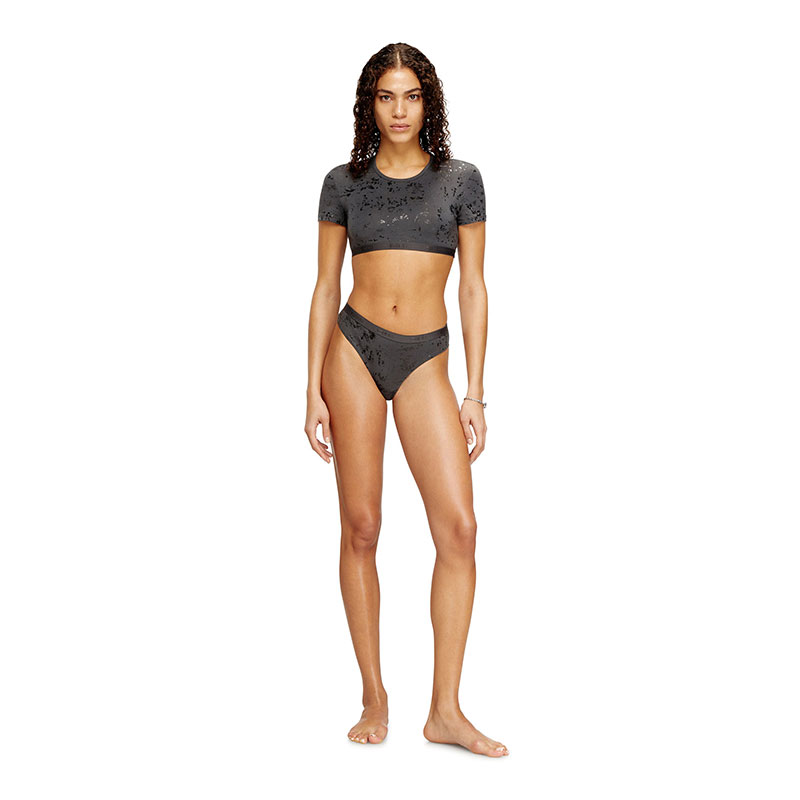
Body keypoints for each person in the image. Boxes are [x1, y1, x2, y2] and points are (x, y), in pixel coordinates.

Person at [305, 42, 508, 758]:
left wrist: (476, 392)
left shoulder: (461, 181)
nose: (399, 110)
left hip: (426, 358)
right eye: (386, 96)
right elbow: (325, 287)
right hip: (353, 352)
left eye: (412, 96)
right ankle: (374, 694)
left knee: (459, 529)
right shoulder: (342, 183)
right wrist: (311, 388)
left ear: (429, 103)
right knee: (361, 527)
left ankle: (445, 710)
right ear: (370, 104)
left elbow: (474, 287)